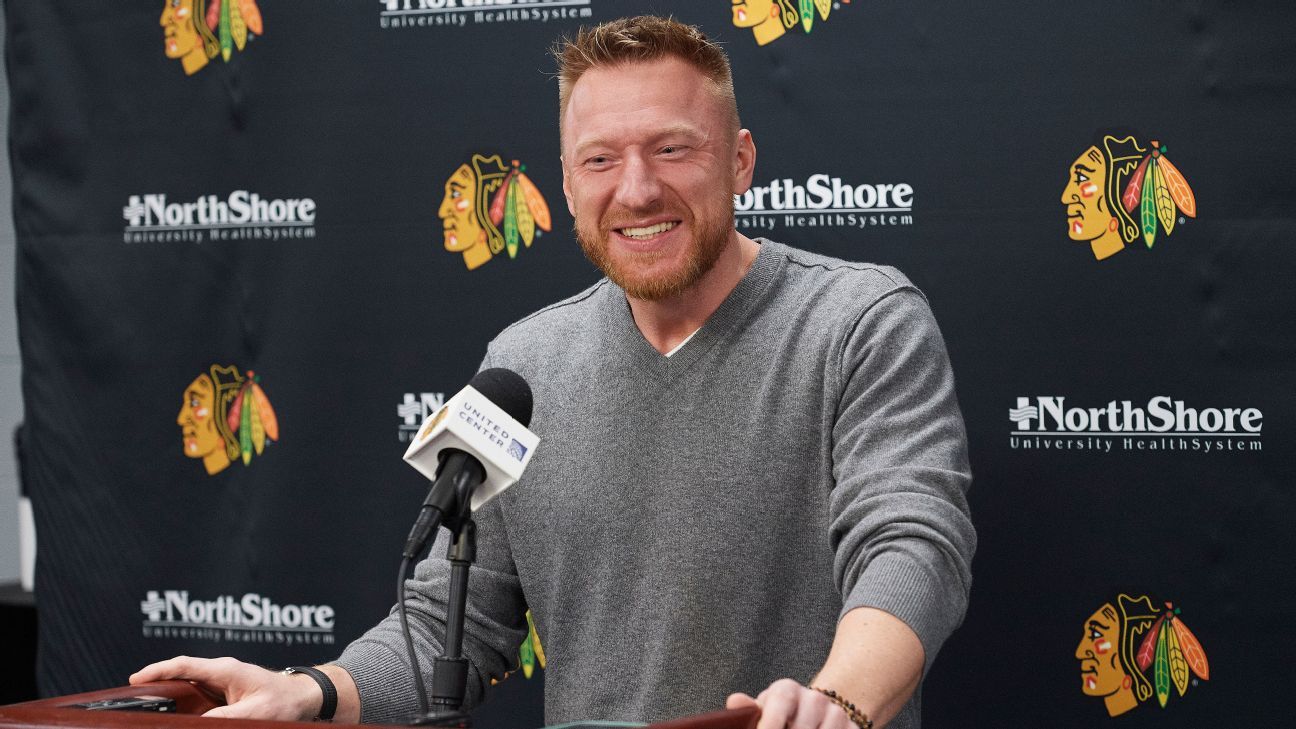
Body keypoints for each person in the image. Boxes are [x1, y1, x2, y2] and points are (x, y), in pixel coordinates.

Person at [133, 16, 975, 729]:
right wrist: (311, 692)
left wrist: (838, 702)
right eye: (601, 160)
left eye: (673, 148)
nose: (637, 189)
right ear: (567, 184)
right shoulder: (521, 363)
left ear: (741, 160)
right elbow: (448, 620)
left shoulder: (861, 322)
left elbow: (913, 548)